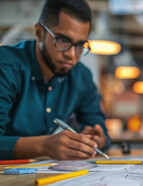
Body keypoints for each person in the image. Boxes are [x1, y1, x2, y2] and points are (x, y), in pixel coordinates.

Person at [0, 0, 110, 160]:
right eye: (63, 40)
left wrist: (97, 139)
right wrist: (44, 146)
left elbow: (99, 127)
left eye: (80, 45)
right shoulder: (6, 66)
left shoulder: (81, 76)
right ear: (38, 33)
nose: (71, 55)